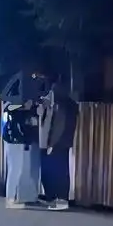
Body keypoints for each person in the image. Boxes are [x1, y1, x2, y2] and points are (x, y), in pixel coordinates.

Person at [0, 72, 47, 208]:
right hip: (13, 139)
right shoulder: (12, 104)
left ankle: (16, 197)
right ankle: (10, 199)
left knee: (18, 169)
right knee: (15, 169)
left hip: (18, 139)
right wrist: (24, 106)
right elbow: (11, 108)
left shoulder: (20, 104)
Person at [39, 79, 78, 211]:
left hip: (57, 143)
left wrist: (51, 144)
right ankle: (59, 199)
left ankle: (57, 199)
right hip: (65, 142)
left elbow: (58, 126)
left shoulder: (60, 105)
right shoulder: (71, 104)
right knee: (61, 172)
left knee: (54, 172)